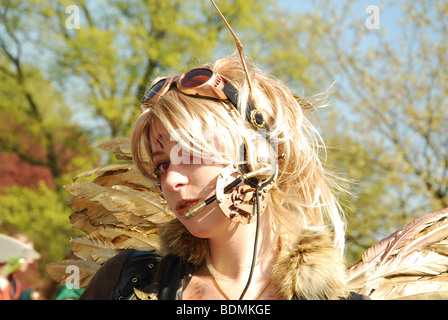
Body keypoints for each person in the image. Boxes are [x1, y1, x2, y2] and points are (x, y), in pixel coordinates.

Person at [80, 55, 359, 300]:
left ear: (259, 159)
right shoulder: (126, 282)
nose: (170, 180)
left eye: (191, 153)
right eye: (162, 164)